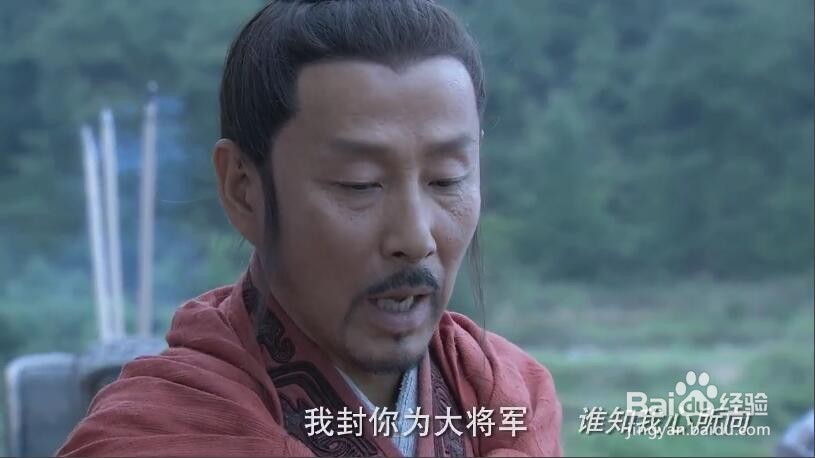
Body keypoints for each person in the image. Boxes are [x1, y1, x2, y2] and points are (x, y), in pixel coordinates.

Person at [57, 1, 562, 456]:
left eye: (446, 179)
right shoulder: (158, 437)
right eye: (359, 183)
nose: (414, 239)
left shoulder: (511, 398)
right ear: (243, 189)